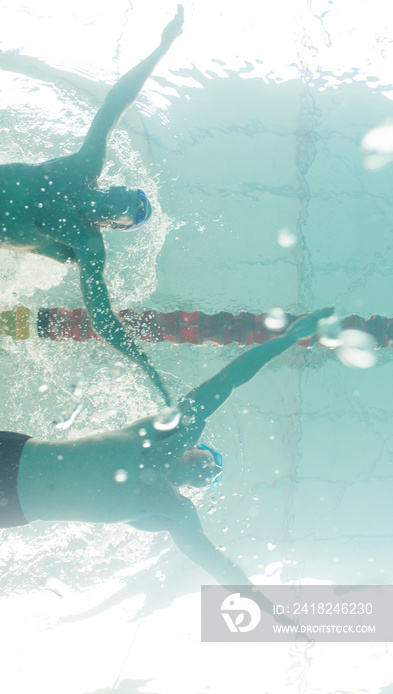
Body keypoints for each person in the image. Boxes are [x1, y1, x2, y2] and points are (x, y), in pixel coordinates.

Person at [0, 307, 332, 598]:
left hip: (11, 507)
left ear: (193, 489)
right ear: (193, 447)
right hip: (13, 454)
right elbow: (227, 381)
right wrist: (288, 339)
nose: (216, 470)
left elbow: (216, 563)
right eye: (214, 459)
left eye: (213, 478)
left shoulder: (174, 511)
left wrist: (264, 605)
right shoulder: (153, 434)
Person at [0, 7, 186, 407]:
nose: (130, 196)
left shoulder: (87, 245)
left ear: (117, 226)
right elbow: (115, 103)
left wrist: (145, 365)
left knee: (59, 252)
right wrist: (162, 47)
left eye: (137, 211)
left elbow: (102, 317)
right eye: (136, 194)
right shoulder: (85, 166)